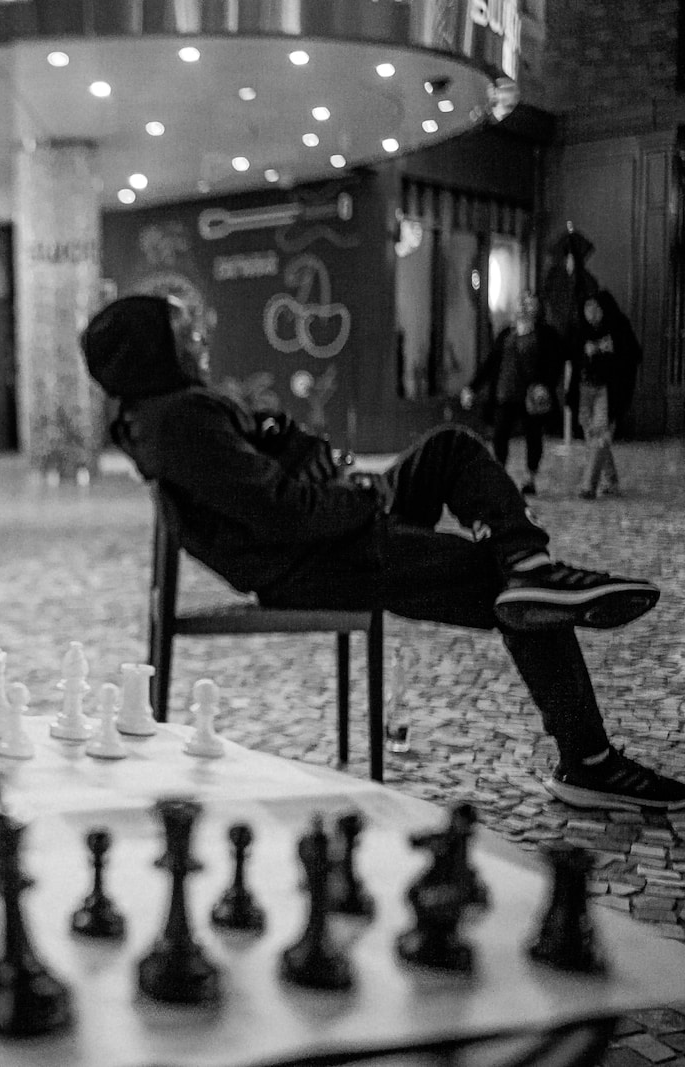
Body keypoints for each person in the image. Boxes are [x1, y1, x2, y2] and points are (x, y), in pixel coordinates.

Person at [82, 293, 683, 812]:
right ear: (153, 349)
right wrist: (365, 496)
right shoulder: (179, 420)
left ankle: (531, 563)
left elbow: (272, 484)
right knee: (509, 586)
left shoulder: (164, 412)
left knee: (448, 449)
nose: (199, 337)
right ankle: (588, 757)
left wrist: (338, 481)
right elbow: (284, 513)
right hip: (319, 564)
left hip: (331, 540)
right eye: (183, 330)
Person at [461, 292, 564, 495]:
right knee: (500, 435)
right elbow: (491, 363)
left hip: (530, 396)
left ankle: (530, 477)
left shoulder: (544, 335)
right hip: (504, 393)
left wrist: (545, 385)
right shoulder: (506, 334)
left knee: (533, 435)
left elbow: (554, 363)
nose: (525, 308)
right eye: (522, 304)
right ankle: (500, 475)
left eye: (530, 305)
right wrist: (472, 387)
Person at [572, 291, 641, 499]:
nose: (590, 313)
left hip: (608, 390)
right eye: (587, 308)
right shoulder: (581, 331)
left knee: (600, 436)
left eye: (595, 308)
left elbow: (632, 356)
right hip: (585, 388)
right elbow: (573, 357)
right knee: (592, 436)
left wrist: (610, 353)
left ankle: (588, 485)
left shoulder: (618, 327)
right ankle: (611, 480)